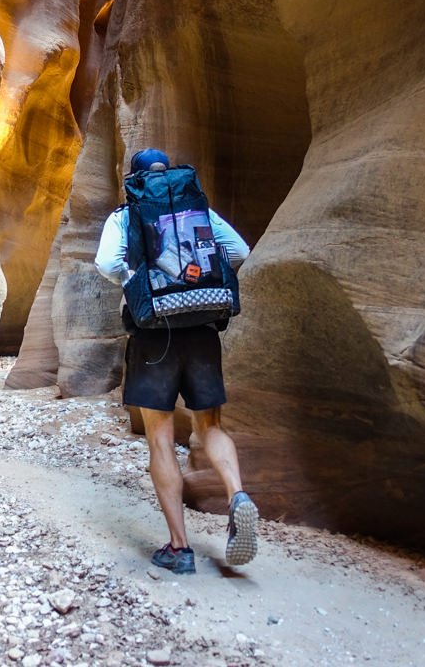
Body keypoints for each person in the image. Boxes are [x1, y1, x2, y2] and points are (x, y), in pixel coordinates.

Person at [95, 148, 260, 572]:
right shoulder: (196, 208)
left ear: (133, 179)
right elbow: (239, 250)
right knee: (211, 425)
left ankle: (179, 548)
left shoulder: (126, 215)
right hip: (202, 331)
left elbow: (108, 262)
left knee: (161, 439)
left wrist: (142, 286)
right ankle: (238, 493)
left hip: (154, 338)